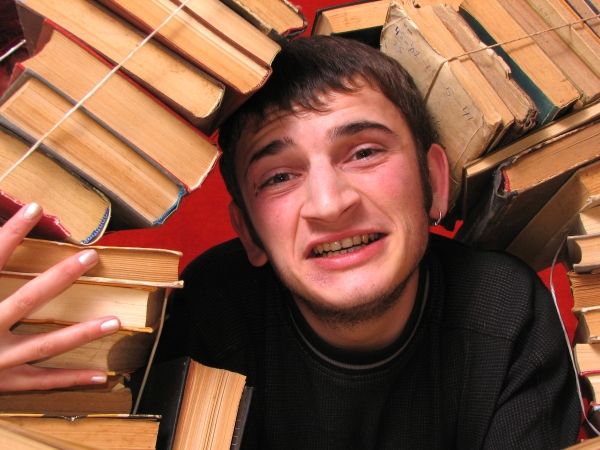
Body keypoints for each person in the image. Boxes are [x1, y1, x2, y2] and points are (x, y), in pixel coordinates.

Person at [0, 36, 581, 448]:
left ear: (434, 181)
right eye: (279, 176)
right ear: (250, 232)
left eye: (364, 152)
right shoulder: (207, 316)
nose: (329, 203)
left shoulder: (506, 312)